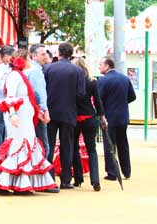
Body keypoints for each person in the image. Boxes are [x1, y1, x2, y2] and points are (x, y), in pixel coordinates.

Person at [0, 49, 57, 195]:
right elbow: (10, 97)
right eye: (28, 59)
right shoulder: (15, 75)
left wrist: (36, 112)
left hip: (23, 116)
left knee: (22, 146)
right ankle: (7, 183)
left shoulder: (18, 75)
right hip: (18, 116)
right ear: (23, 60)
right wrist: (13, 114)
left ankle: (14, 183)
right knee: (17, 147)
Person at [44, 42, 85, 189]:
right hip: (69, 112)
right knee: (66, 146)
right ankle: (66, 179)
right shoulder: (77, 71)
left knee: (48, 144)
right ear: (71, 54)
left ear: (58, 53)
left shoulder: (48, 68)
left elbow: (43, 90)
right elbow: (81, 94)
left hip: (50, 111)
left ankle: (48, 178)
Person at [98, 56, 136, 181]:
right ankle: (127, 171)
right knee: (123, 143)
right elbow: (132, 96)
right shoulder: (125, 79)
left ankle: (112, 172)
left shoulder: (103, 81)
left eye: (101, 65)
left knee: (110, 145)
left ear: (107, 66)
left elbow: (99, 100)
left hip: (108, 117)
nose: (99, 67)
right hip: (123, 116)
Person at [71, 57, 106, 192]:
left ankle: (78, 178)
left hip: (74, 117)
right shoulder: (92, 82)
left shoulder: (72, 82)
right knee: (92, 149)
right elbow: (97, 101)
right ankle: (95, 180)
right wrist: (102, 117)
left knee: (74, 148)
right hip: (89, 117)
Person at [27, 44, 51, 157]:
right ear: (34, 56)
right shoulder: (35, 71)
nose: (45, 56)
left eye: (45, 53)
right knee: (43, 146)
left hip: (31, 111)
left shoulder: (31, 70)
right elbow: (39, 93)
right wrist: (44, 110)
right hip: (37, 112)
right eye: (42, 54)